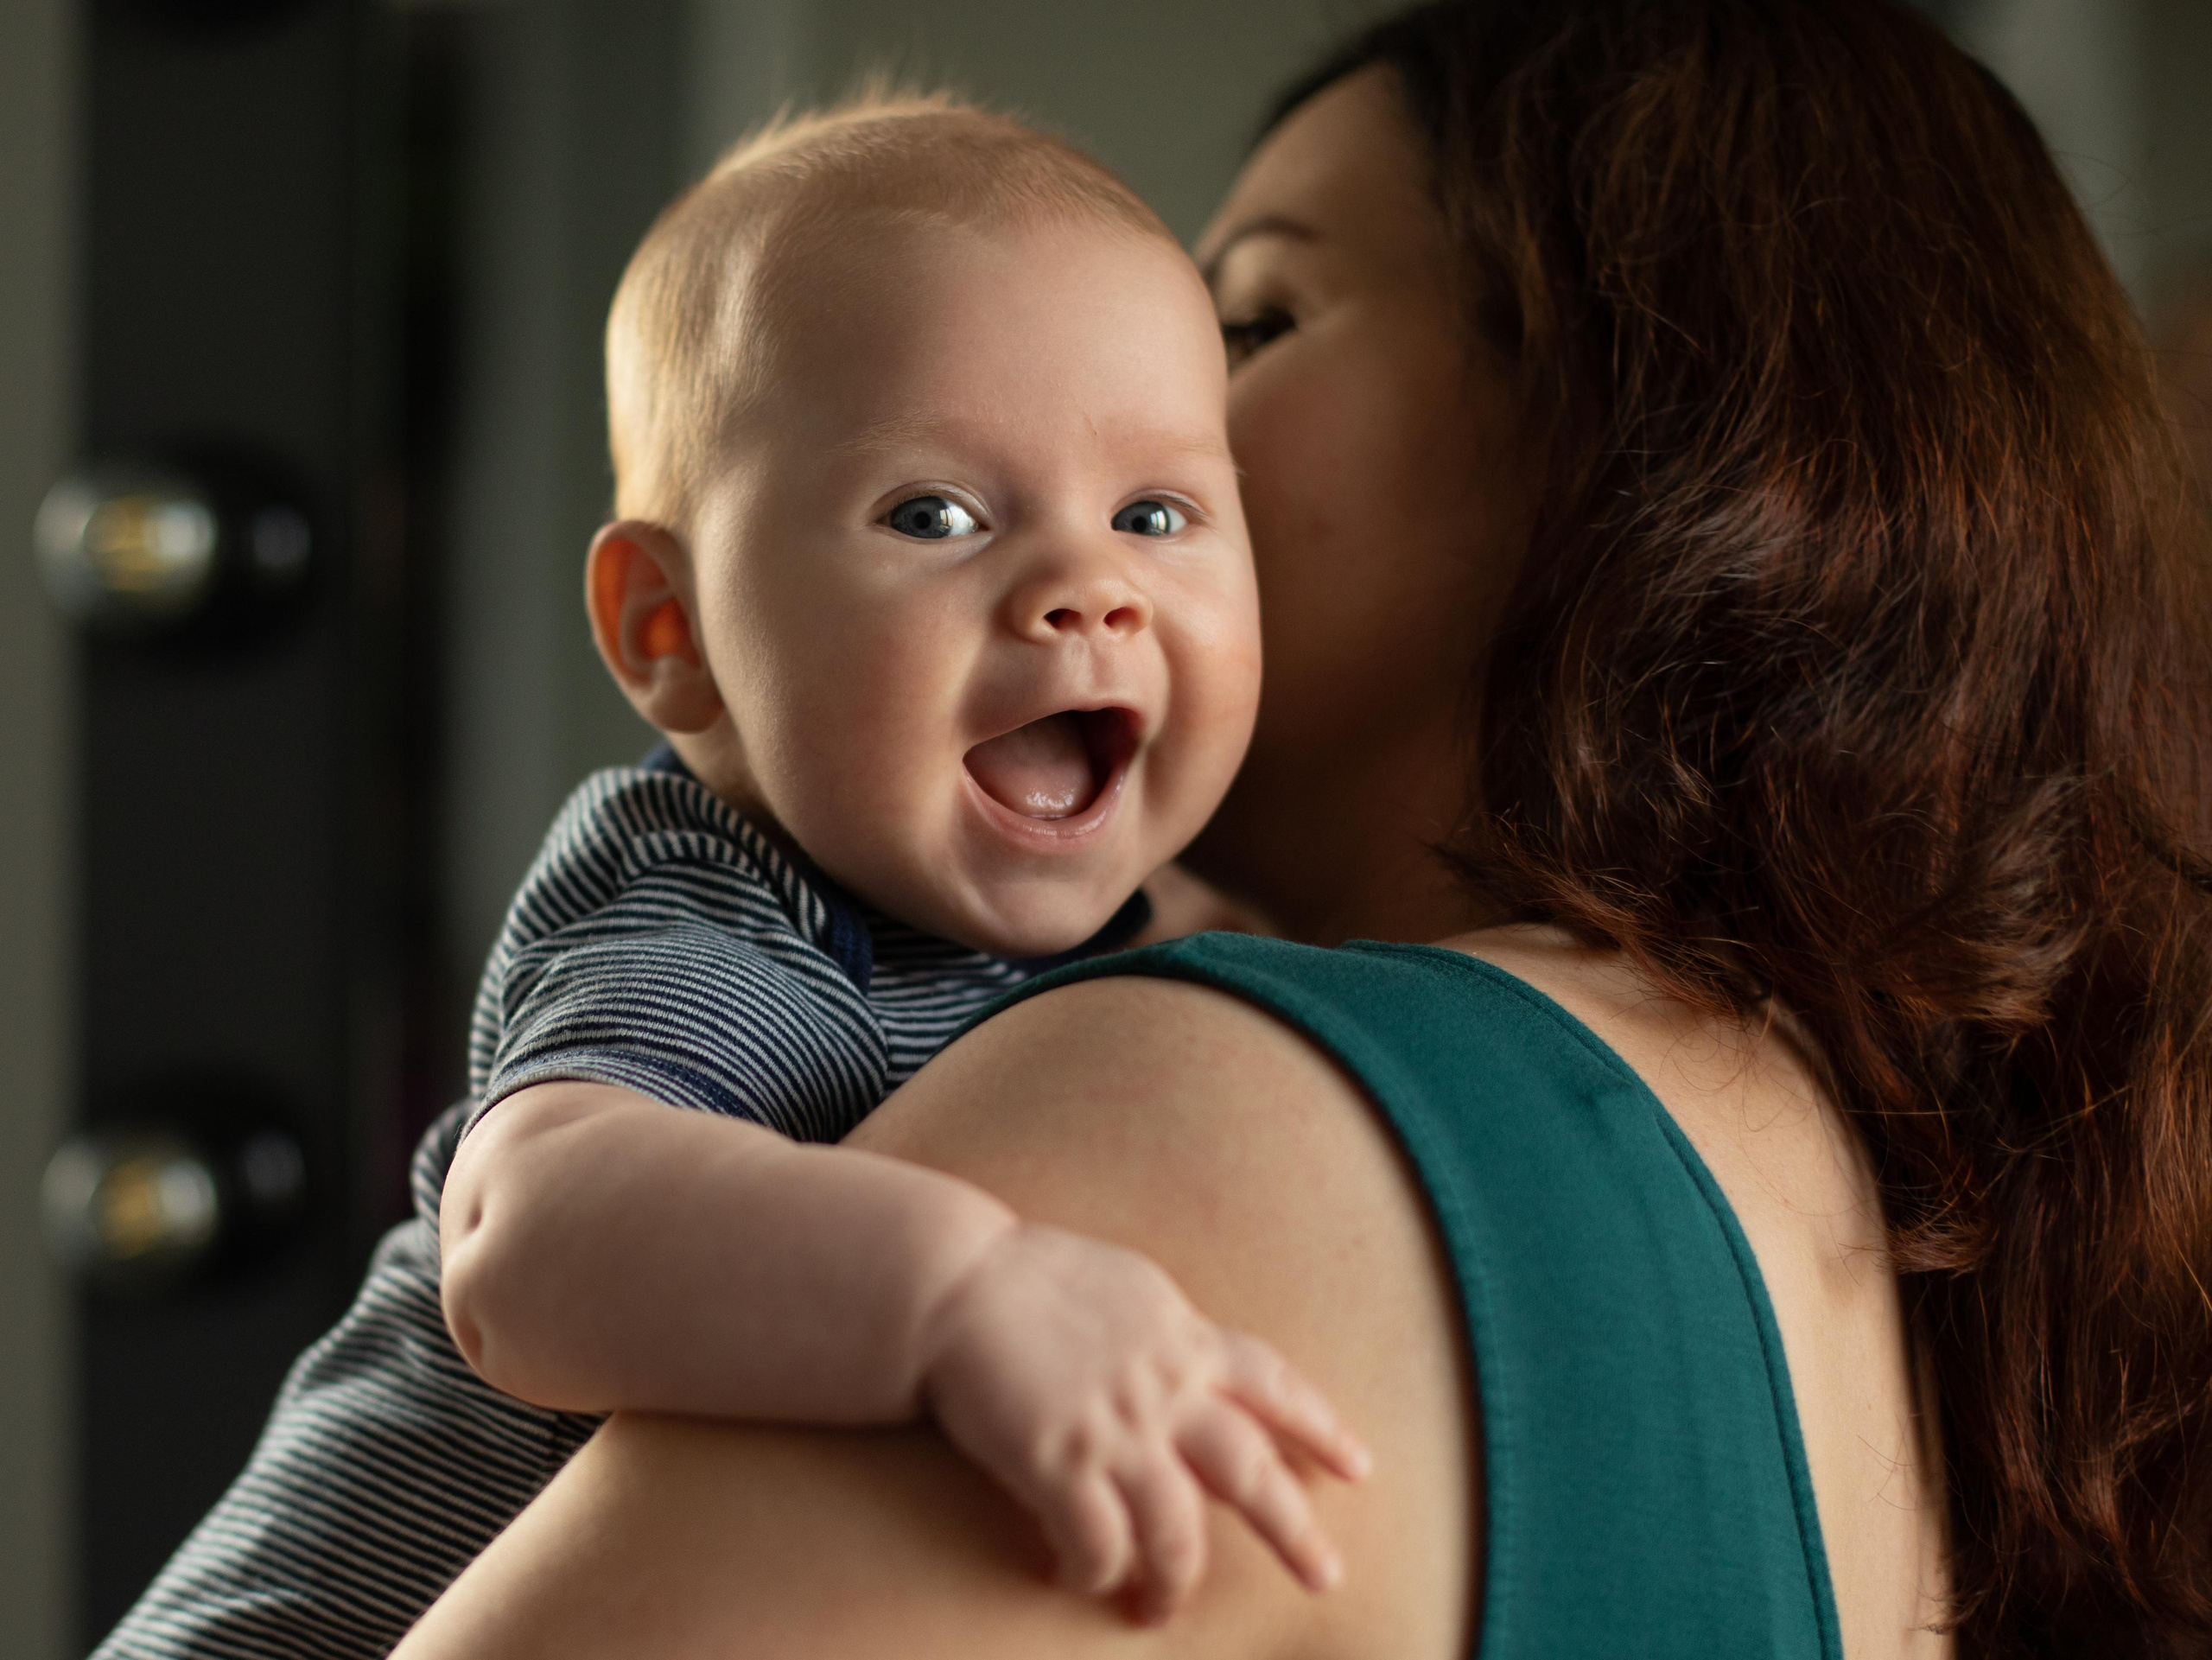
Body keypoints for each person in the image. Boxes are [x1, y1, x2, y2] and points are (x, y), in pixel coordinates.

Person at [392, 1, 2212, 1657]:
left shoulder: (1210, 1120)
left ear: (1632, 430)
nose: (1137, 467)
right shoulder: (1849, 1189)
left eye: (1248, 319)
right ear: (665, 626)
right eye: (940, 501)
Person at [91, 95, 1370, 1660]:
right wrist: (966, 1298)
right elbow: (528, 1240)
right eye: (937, 514)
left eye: (1156, 512)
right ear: (669, 633)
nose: (1085, 591)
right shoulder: (714, 905)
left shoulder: (1159, 935)